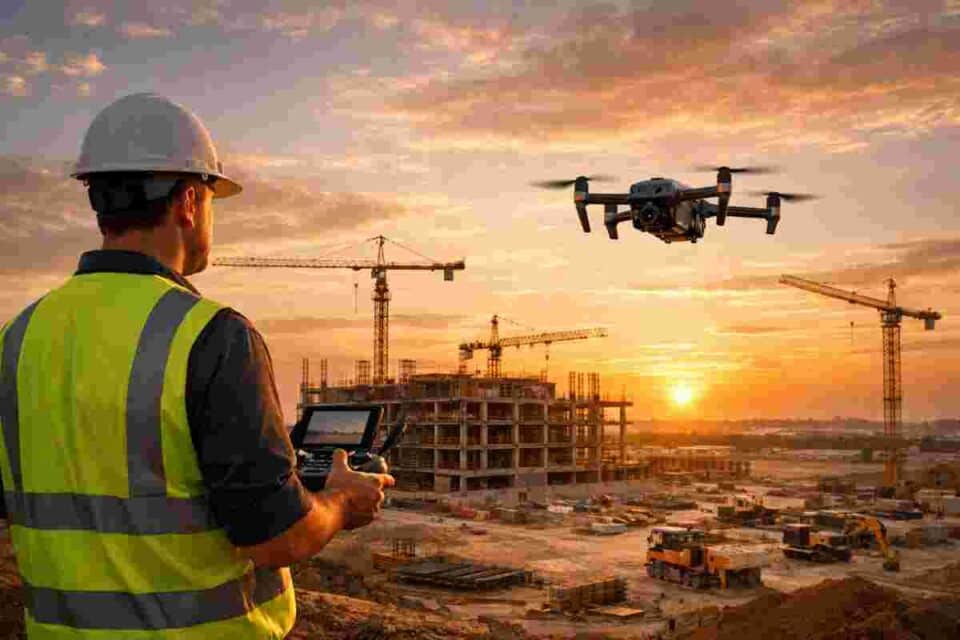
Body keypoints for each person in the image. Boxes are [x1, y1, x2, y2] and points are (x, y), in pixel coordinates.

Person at [0, 93, 394, 638]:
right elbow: (275, 537)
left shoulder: (17, 337)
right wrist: (341, 502)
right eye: (211, 199)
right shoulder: (212, 335)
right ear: (188, 200)